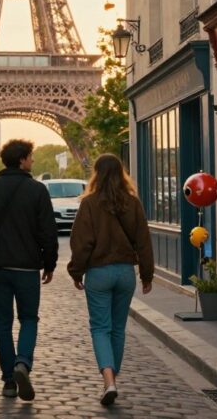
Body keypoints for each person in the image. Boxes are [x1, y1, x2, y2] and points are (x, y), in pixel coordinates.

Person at [0, 139, 58, 401]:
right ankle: (23, 363)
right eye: (31, 156)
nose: (33, 161)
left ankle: (9, 381)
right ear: (22, 159)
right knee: (29, 319)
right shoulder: (37, 190)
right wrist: (49, 263)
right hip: (28, 268)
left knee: (3, 324)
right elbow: (48, 233)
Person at [67, 153, 154, 406]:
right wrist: (147, 274)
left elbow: (81, 242)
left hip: (99, 273)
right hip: (126, 273)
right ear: (121, 173)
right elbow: (144, 242)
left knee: (100, 328)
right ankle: (113, 378)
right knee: (118, 328)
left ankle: (108, 380)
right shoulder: (133, 203)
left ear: (96, 174)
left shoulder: (90, 203)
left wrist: (76, 271)